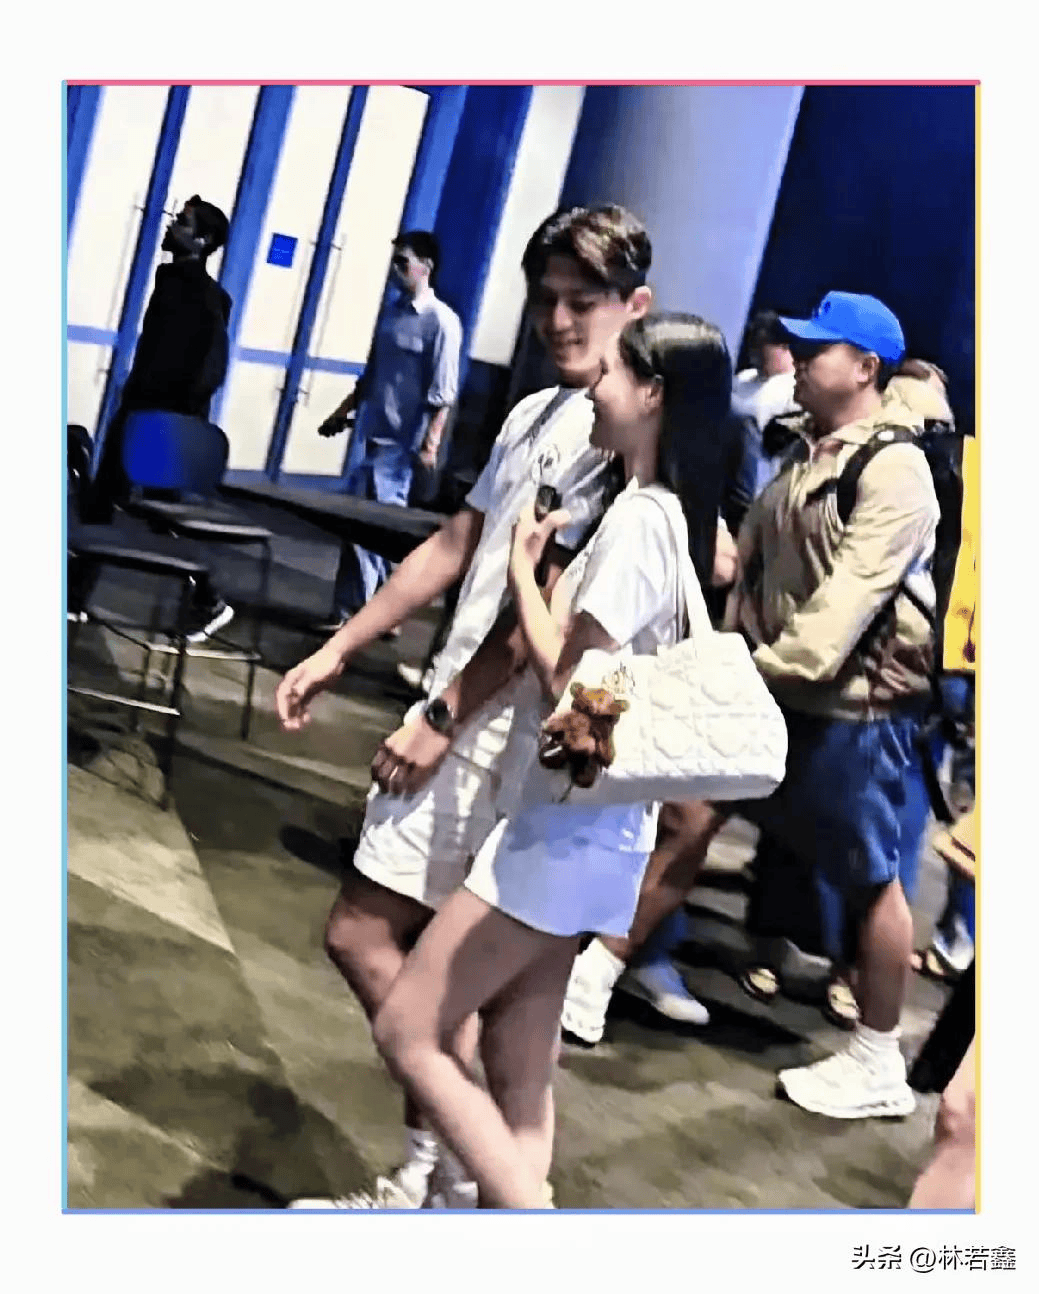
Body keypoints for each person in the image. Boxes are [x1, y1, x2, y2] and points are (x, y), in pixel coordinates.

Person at [276, 204, 653, 1208]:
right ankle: (448, 1182)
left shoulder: (620, 440)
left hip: (521, 749)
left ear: (635, 306)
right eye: (546, 299)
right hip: (509, 743)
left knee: (399, 959)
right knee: (490, 1014)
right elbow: (459, 542)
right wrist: (341, 645)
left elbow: (545, 618)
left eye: (583, 300)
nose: (559, 320)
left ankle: (456, 1180)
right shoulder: (540, 413)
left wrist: (441, 717)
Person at [370, 313, 733, 1209]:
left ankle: (526, 1219)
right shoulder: (665, 514)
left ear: (652, 394)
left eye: (612, 374)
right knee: (520, 1063)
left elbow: (571, 682)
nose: (593, 389)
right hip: (596, 835)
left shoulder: (640, 520)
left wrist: (524, 575)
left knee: (410, 1027)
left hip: (559, 834)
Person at [571, 291, 942, 1121]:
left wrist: (733, 673)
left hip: (848, 711)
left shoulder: (894, 469)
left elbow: (841, 610)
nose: (797, 361)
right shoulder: (807, 452)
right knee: (686, 819)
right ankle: (591, 975)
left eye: (817, 350)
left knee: (868, 881)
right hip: (770, 690)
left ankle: (878, 1059)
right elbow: (754, 574)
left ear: (865, 367)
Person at [74, 196, 234, 642]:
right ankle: (74, 597)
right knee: (103, 503)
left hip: (163, 421)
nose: (171, 226)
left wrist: (168, 414)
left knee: (159, 515)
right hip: (141, 411)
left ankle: (210, 597)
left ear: (202, 240)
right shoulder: (171, 281)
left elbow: (207, 368)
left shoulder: (205, 297)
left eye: (182, 222)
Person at [318, 231, 463, 627]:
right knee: (371, 531)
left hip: (403, 447)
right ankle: (381, 614)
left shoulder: (441, 323)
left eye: (404, 262)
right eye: (395, 262)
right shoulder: (391, 315)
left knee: (367, 531)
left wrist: (429, 447)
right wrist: (340, 414)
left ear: (426, 267)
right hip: (373, 435)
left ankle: (355, 616)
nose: (396, 270)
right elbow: (371, 376)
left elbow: (442, 394)